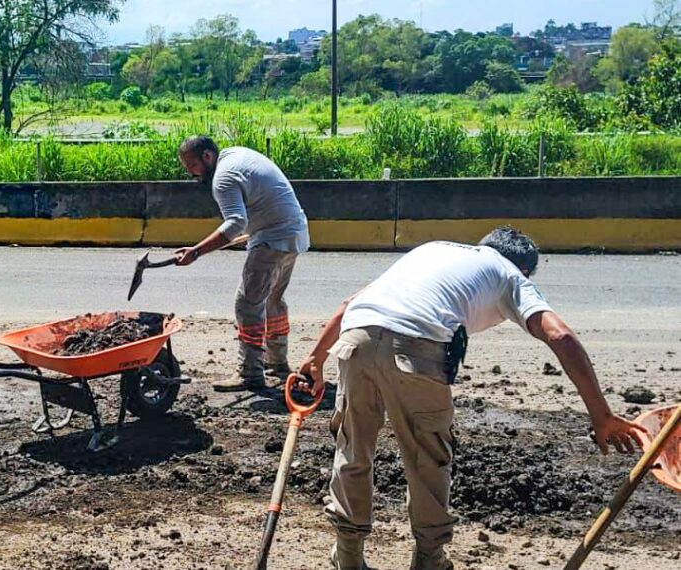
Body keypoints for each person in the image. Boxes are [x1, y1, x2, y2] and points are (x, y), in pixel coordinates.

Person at [296, 227, 647, 570]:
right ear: (524, 268)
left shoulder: (434, 250)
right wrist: (602, 416)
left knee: (353, 449)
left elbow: (348, 304)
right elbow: (561, 336)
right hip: (417, 346)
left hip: (356, 338)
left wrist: (315, 359)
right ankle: (430, 558)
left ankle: (348, 556)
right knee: (428, 460)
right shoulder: (510, 274)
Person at [175, 135, 310, 392]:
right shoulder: (237, 155)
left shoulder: (222, 178)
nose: (191, 173)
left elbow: (235, 221)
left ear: (207, 156)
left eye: (192, 165)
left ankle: (250, 373)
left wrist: (195, 252)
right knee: (273, 300)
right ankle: (277, 362)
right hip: (295, 232)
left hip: (273, 238)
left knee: (247, 305)